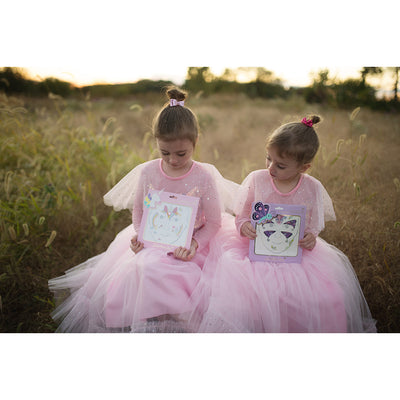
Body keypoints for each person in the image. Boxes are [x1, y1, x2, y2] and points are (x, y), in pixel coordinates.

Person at [48, 86, 238, 333]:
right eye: (164, 152)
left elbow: (213, 222)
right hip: (155, 240)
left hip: (192, 243)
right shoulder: (149, 172)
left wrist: (194, 244)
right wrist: (142, 234)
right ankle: (150, 321)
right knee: (144, 267)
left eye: (181, 153)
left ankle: (180, 322)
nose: (172, 160)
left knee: (185, 277)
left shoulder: (203, 176)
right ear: (156, 142)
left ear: (196, 141)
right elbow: (139, 210)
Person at [196, 115, 377, 333]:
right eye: (268, 159)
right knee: (247, 291)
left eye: (280, 165)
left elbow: (313, 225)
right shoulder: (257, 179)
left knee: (323, 296)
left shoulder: (312, 188)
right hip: (254, 250)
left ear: (304, 167)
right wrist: (244, 225)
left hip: (295, 253)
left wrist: (310, 236)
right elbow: (241, 214)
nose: (271, 168)